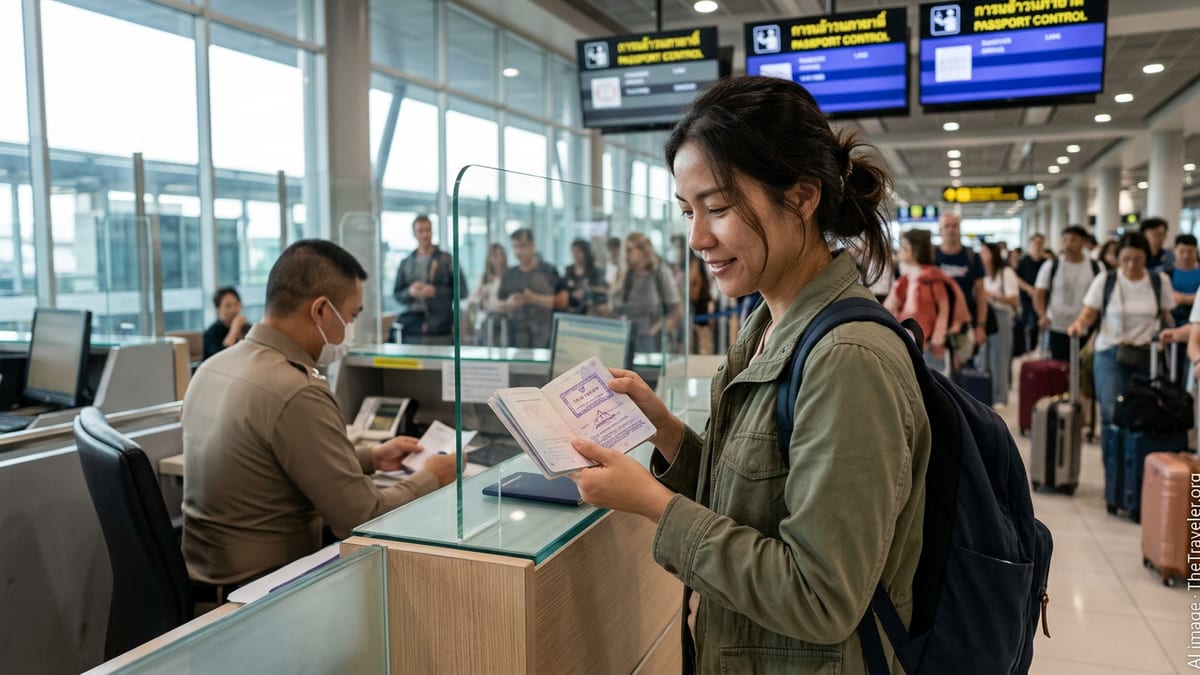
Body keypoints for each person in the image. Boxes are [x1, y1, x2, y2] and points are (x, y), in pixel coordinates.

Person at [566, 76, 930, 674]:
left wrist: (656, 504)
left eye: (719, 207)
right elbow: (760, 501)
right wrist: (666, 433)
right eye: (687, 212)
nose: (697, 238)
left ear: (802, 196)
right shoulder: (764, 322)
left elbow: (822, 597)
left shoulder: (847, 359)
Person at [183, 240, 457, 585]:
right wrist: (433, 475)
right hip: (271, 587)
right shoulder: (297, 389)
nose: (351, 330)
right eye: (352, 316)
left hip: (213, 575)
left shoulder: (213, 367)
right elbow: (363, 519)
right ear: (322, 311)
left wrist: (371, 457)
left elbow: (277, 463)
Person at [1068, 232, 1175, 451]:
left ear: (1146, 257)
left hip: (1147, 354)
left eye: (1137, 259)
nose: (1131, 264)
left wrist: (1172, 333)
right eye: (1125, 259)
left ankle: (1134, 467)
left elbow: (1167, 316)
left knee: (1144, 412)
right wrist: (1078, 325)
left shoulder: (1158, 281)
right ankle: (1114, 473)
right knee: (1111, 413)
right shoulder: (1106, 280)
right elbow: (1089, 312)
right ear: (1118, 258)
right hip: (1110, 352)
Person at [884, 229, 958, 374]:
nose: (900, 250)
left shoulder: (933, 278)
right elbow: (887, 308)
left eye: (904, 246)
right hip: (907, 343)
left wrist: (939, 335)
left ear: (915, 250)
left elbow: (944, 309)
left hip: (930, 344)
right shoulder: (903, 281)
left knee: (934, 388)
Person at [391, 214, 468, 345]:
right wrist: (410, 292)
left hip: (441, 328)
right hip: (412, 329)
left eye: (428, 230)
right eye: (420, 231)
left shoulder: (447, 260)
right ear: (414, 234)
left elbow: (462, 291)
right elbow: (397, 294)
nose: (425, 235)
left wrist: (436, 292)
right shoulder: (406, 263)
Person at [1034, 225, 1100, 361]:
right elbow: (1039, 292)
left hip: (1086, 326)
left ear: (1083, 242)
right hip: (1056, 325)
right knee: (1059, 367)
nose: (1068, 244)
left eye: (1073, 240)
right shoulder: (1052, 265)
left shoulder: (1095, 266)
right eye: (1065, 240)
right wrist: (1042, 315)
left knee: (1083, 367)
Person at [613, 232, 683, 354]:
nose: (628, 254)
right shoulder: (628, 274)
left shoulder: (660, 272)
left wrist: (657, 329)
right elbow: (614, 305)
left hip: (650, 339)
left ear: (643, 250)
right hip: (627, 334)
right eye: (627, 250)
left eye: (631, 250)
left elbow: (677, 309)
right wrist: (621, 277)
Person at [497, 228, 567, 348]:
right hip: (516, 339)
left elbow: (563, 301)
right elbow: (498, 303)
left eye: (523, 246)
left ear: (532, 246)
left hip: (545, 337)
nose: (519, 251)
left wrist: (534, 299)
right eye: (515, 247)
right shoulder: (509, 274)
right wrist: (509, 304)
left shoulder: (548, 271)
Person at [935, 212, 988, 361]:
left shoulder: (972, 256)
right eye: (947, 226)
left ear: (959, 229)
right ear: (940, 230)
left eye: (955, 226)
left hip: (965, 322)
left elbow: (981, 293)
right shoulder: (932, 256)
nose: (951, 230)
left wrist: (981, 326)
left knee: (964, 370)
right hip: (937, 323)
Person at [981, 242, 1020, 405]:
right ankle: (986, 395)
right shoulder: (983, 274)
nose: (981, 256)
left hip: (1001, 316)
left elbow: (1014, 298)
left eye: (984, 252)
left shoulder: (1006, 272)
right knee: (984, 358)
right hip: (986, 316)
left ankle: (1000, 397)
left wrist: (992, 295)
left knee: (1000, 358)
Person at [466, 243, 509, 346]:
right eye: (495, 256)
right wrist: (477, 301)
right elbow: (472, 299)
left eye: (500, 255)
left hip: (505, 322)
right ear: (489, 258)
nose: (498, 260)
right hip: (488, 322)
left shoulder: (509, 276)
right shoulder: (485, 278)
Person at [1015, 233, 1047, 357]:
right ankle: (1025, 349)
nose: (1038, 246)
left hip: (1041, 299)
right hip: (1026, 298)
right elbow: (1017, 278)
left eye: (1040, 243)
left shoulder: (1046, 262)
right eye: (1036, 243)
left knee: (1036, 324)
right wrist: (1028, 289)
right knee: (1025, 323)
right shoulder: (1024, 261)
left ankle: (1035, 349)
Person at [562, 238, 609, 316]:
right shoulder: (569, 270)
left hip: (589, 310)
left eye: (578, 252)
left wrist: (585, 294)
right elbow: (564, 289)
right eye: (573, 252)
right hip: (571, 309)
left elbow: (600, 292)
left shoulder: (595, 272)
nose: (575, 255)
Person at [203, 286, 249, 360]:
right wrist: (234, 330)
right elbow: (220, 359)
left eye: (236, 304)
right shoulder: (211, 333)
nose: (233, 310)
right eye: (228, 306)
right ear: (217, 309)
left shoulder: (246, 327)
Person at [687, 252, 715, 354]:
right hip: (693, 301)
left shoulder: (695, 262)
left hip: (700, 301)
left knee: (703, 335)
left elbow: (693, 279)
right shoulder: (692, 262)